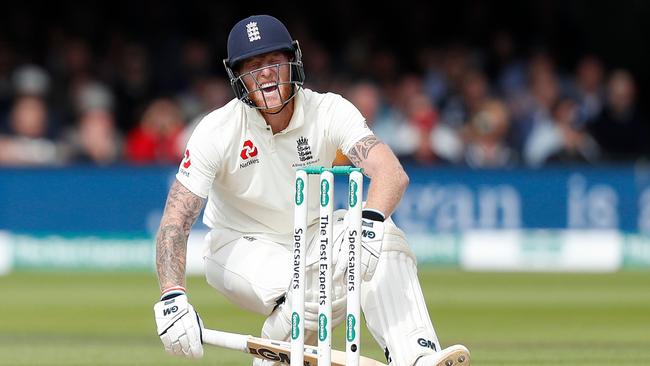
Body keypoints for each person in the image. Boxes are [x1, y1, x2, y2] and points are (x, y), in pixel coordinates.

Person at [152, 14, 471, 366]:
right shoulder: (217, 129)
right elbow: (176, 219)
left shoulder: (328, 110)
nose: (266, 73)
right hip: (237, 245)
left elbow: (391, 173)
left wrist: (370, 224)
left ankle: (416, 356)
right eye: (253, 65)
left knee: (385, 237)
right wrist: (172, 297)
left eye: (274, 60)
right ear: (237, 77)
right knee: (312, 280)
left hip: (311, 236)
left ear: (292, 63)